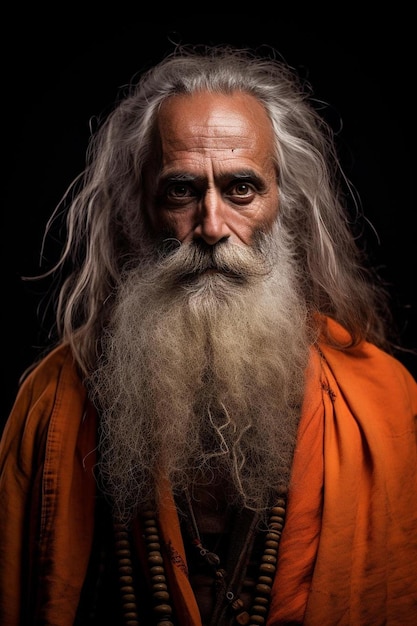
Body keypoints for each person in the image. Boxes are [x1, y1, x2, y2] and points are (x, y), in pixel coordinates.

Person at [1, 43, 416, 626]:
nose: (213, 226)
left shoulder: (382, 402)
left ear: (284, 206)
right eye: (182, 190)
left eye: (242, 189)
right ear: (139, 208)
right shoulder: (52, 402)